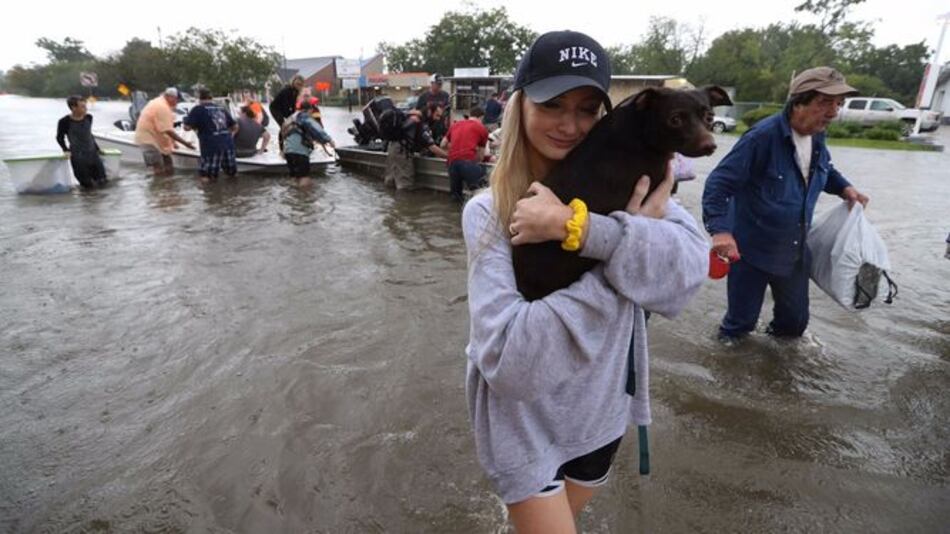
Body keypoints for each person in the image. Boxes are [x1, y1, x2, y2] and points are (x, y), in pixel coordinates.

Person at [461, 30, 707, 533]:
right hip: (522, 424)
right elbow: (511, 364)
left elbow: (686, 279)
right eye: (553, 105)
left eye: (587, 108)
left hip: (601, 416)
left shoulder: (646, 189)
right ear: (520, 104)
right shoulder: (489, 213)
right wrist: (628, 253)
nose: (570, 125)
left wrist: (587, 232)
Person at [702, 66, 870, 343]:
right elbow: (718, 184)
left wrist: (845, 188)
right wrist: (720, 232)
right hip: (750, 252)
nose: (834, 112)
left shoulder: (818, 135)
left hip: (794, 251)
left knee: (794, 326)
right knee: (738, 329)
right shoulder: (761, 138)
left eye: (838, 103)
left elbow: (822, 168)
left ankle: (774, 370)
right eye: (825, 103)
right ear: (799, 101)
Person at [134, 87, 195, 176]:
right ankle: (160, 187)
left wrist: (173, 143)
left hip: (156, 139)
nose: (177, 103)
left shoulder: (159, 102)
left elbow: (164, 127)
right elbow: (168, 130)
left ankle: (169, 186)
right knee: (159, 168)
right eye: (177, 100)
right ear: (170, 97)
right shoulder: (162, 107)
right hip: (148, 140)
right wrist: (186, 144)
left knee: (168, 162)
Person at [383, 108, 448, 191]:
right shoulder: (420, 123)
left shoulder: (408, 117)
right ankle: (403, 203)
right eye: (437, 115)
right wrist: (449, 156)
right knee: (405, 185)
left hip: (392, 147)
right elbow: (432, 147)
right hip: (402, 151)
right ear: (429, 112)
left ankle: (388, 201)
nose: (438, 119)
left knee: (391, 183)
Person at [183, 88, 238, 181]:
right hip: (228, 144)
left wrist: (194, 127)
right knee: (232, 174)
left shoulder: (198, 109)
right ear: (211, 97)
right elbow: (235, 126)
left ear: (199, 98)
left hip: (211, 146)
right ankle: (233, 194)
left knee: (207, 176)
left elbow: (186, 127)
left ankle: (210, 194)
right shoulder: (221, 108)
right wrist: (229, 136)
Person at [56, 95, 107, 189]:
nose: (86, 109)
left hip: (93, 155)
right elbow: (59, 138)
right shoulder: (64, 121)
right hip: (78, 157)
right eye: (82, 106)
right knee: (87, 186)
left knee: (103, 182)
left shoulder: (89, 118)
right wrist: (65, 150)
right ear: (73, 108)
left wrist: (98, 149)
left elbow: (89, 135)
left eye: (85, 106)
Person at [281, 99, 335, 188]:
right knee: (304, 179)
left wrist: (282, 149)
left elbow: (283, 133)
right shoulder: (304, 117)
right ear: (309, 110)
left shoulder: (291, 118)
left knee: (294, 177)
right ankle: (305, 199)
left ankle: (292, 197)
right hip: (300, 152)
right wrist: (329, 140)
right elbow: (316, 129)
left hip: (288, 152)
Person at [442, 105, 489, 203]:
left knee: (456, 198)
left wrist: (454, 149)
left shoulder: (455, 125)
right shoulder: (482, 128)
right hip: (468, 162)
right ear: (481, 117)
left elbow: (442, 144)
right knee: (480, 195)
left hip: (452, 163)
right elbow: (481, 156)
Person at [416, 73, 451, 144]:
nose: (439, 86)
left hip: (441, 123)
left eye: (440, 84)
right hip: (427, 124)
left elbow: (448, 110)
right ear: (432, 83)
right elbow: (418, 110)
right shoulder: (423, 96)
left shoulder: (445, 95)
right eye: (437, 84)